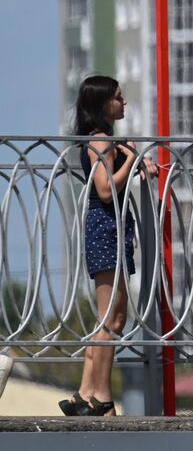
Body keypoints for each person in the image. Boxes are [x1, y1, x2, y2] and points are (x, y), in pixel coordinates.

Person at [61, 76, 154, 417]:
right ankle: (98, 396)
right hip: (106, 228)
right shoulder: (101, 141)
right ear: (103, 105)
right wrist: (131, 159)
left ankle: (87, 392)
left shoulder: (105, 140)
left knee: (113, 317)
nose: (123, 102)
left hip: (112, 229)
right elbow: (104, 189)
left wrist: (137, 163)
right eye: (117, 98)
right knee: (110, 319)